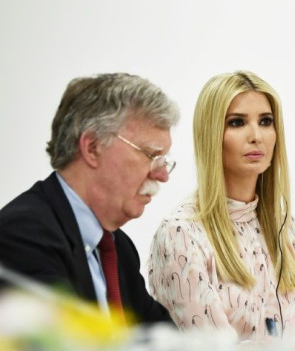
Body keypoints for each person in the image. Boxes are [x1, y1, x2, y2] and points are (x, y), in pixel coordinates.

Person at [148, 71, 295, 341]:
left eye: (266, 121)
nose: (256, 136)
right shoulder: (181, 234)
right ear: (211, 135)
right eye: (237, 123)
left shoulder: (287, 227)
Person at [0, 73, 178, 324]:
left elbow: (165, 344)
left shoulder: (119, 248)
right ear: (92, 147)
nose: (161, 175)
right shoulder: (23, 235)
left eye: (164, 161)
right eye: (150, 154)